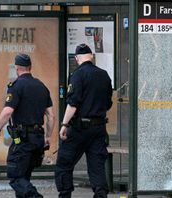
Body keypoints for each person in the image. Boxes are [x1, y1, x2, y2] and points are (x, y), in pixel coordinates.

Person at [0, 53, 55, 197]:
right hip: (38, 139)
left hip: (23, 140)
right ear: (30, 67)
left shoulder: (16, 86)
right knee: (24, 177)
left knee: (15, 176)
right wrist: (48, 136)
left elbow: (7, 112)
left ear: (16, 68)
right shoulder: (41, 87)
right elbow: (51, 116)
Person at [55, 44, 113, 198]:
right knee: (97, 166)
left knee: (64, 163)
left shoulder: (77, 75)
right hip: (98, 128)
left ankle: (65, 194)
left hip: (79, 129)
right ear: (92, 56)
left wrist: (64, 124)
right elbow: (108, 104)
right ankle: (100, 195)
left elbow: (73, 104)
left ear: (76, 58)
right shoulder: (104, 75)